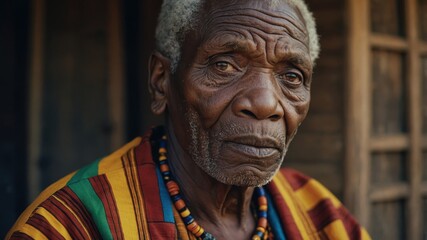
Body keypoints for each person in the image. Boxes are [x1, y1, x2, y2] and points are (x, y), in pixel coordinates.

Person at [7, 0, 371, 239]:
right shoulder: (70, 225)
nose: (264, 103)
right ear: (161, 82)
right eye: (224, 65)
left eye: (291, 76)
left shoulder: (321, 215)